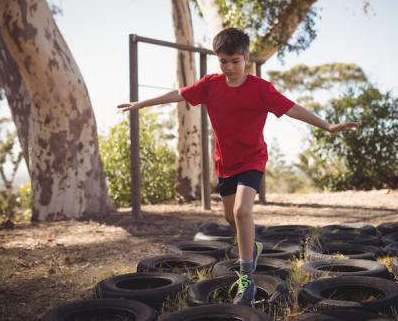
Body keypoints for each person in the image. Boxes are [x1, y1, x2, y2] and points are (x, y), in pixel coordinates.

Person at [118, 27, 360, 306]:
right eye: (224, 61)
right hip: (225, 162)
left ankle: (246, 278)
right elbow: (179, 94)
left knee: (242, 211)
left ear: (246, 59)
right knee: (231, 218)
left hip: (253, 158)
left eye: (235, 61)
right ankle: (252, 246)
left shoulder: (261, 89)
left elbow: (292, 108)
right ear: (217, 59)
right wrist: (141, 102)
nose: (230, 67)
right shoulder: (210, 85)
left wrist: (328, 125)